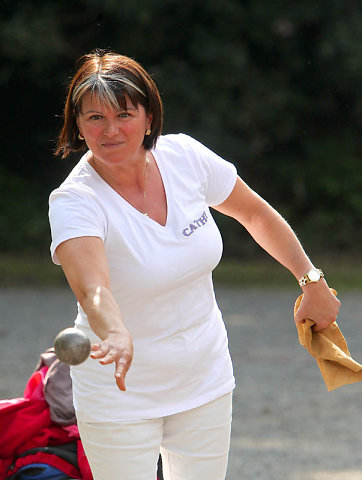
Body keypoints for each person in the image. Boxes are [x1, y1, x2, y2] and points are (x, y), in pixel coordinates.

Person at [49, 49, 340, 480]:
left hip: (204, 377)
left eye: (124, 115)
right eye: (94, 118)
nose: (110, 130)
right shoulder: (75, 200)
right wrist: (115, 331)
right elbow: (93, 287)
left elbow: (255, 214)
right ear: (78, 125)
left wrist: (311, 280)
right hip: (120, 388)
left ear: (149, 117)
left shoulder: (184, 157)